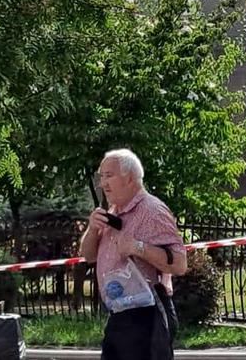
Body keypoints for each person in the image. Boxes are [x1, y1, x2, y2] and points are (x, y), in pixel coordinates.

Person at [80, 148, 187, 360]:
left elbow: (180, 263)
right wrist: (92, 230)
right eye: (101, 177)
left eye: (109, 176)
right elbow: (88, 256)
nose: (103, 184)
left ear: (129, 178)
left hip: (146, 315)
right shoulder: (113, 213)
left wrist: (137, 247)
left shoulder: (152, 210)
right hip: (119, 313)